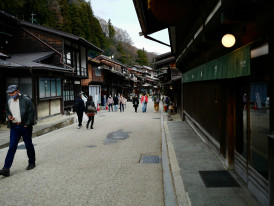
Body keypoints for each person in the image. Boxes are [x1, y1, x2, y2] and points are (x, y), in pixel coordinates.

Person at [0, 85, 36, 177]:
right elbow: (8, 112)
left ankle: (31, 162)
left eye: (12, 92)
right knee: (12, 146)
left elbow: (32, 113)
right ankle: (6, 169)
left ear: (18, 91)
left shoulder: (26, 100)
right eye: (9, 93)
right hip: (14, 127)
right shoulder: (9, 101)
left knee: (28, 144)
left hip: (25, 126)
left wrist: (27, 124)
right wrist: (9, 116)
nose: (11, 94)